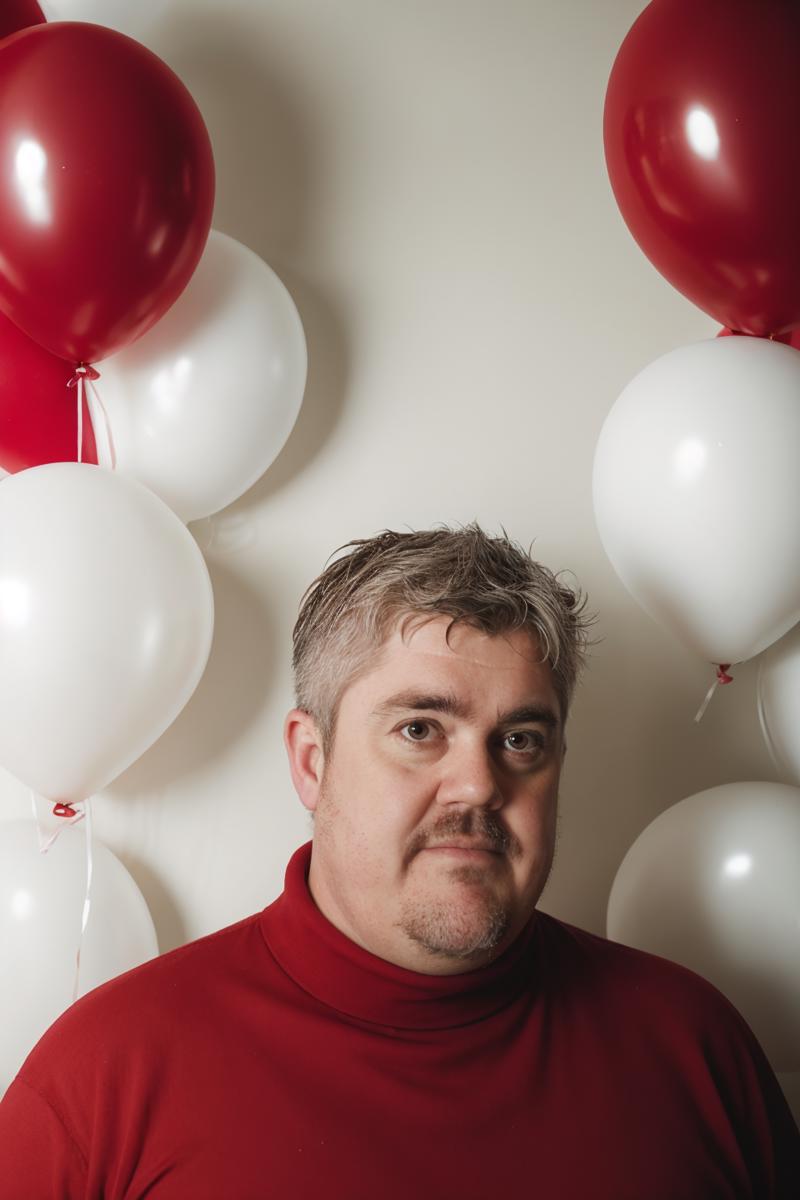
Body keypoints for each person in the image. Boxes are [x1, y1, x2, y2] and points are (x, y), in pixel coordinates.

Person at [0, 526, 797, 1199]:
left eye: (522, 740)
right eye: (420, 729)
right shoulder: (103, 1081)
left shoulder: (695, 1049)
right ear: (312, 761)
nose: (481, 784)